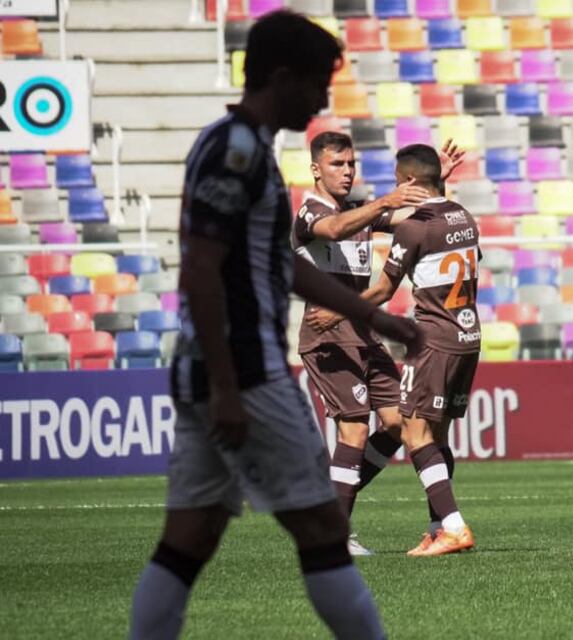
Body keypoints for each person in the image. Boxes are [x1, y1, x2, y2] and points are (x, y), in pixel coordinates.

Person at [128, 11, 419, 639]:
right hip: (245, 372)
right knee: (322, 528)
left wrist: (372, 315)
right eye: (317, 84)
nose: (321, 100)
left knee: (190, 538)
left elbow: (279, 267)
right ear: (283, 77)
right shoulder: (236, 154)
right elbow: (200, 272)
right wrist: (227, 387)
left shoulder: (244, 149)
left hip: (216, 369)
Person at [292, 131, 464, 555]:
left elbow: (415, 218)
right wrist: (385, 201)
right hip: (327, 337)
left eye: (351, 164)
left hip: (364, 335)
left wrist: (434, 182)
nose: (347, 171)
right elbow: (334, 230)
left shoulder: (360, 211)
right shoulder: (309, 212)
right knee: (354, 428)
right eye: (337, 164)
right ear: (316, 169)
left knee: (397, 425)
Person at [358, 144, 482, 557]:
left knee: (412, 430)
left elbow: (383, 290)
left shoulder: (413, 228)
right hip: (467, 335)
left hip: (432, 338)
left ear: (409, 181)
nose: (396, 189)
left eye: (398, 182)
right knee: (437, 434)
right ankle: (437, 528)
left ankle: (454, 527)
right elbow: (434, 217)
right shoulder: (463, 216)